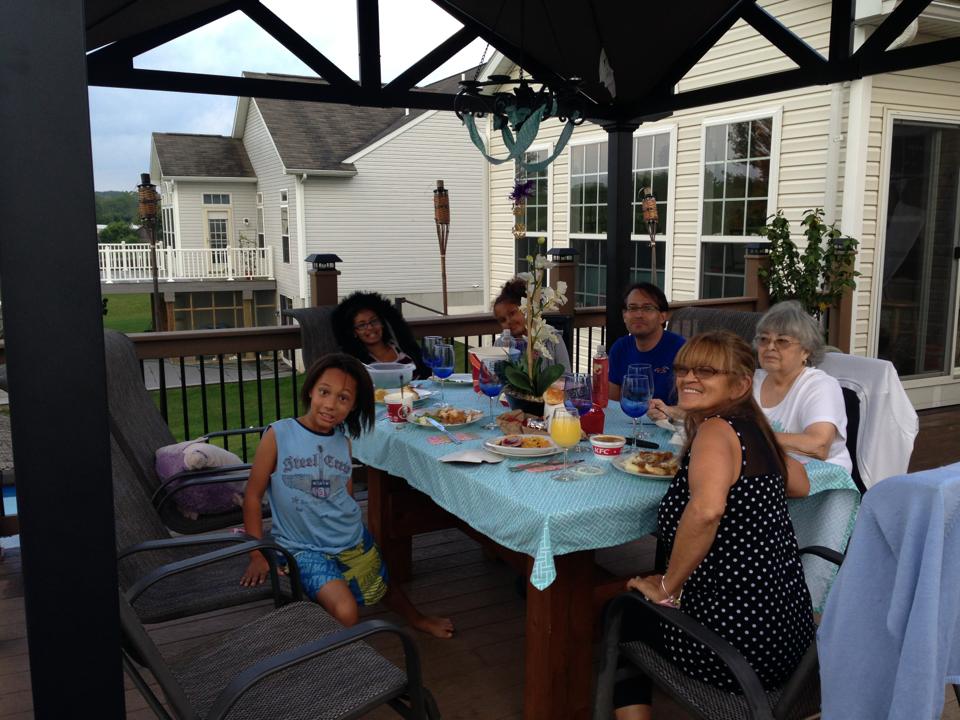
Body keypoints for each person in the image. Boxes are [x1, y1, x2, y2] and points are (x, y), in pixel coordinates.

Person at [615, 332, 814, 719]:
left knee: (628, 613)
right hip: (791, 639)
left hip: (737, 650)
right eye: (683, 368)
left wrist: (666, 587)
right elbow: (801, 485)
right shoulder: (755, 431)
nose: (688, 377)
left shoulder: (716, 430)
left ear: (740, 384)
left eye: (706, 370)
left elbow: (706, 512)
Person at [240, 352, 454, 638]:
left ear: (353, 406)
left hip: (349, 537)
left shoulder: (343, 441)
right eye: (324, 392)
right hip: (302, 548)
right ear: (310, 390)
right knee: (346, 610)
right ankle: (332, 666)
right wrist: (256, 554)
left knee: (382, 585)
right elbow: (252, 496)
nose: (330, 404)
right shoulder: (279, 434)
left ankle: (416, 618)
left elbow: (345, 492)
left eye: (343, 398)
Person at [751, 300, 852, 472]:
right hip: (767, 471)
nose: (770, 347)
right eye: (764, 339)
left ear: (806, 351)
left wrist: (752, 438)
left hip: (820, 480)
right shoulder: (751, 381)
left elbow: (817, 446)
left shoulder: (820, 386)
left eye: (782, 341)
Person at [608, 283, 685, 402]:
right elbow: (613, 403)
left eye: (647, 308)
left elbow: (693, 407)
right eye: (632, 308)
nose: (639, 315)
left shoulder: (682, 350)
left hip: (670, 419)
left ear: (662, 316)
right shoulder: (620, 348)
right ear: (624, 316)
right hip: (630, 418)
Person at [332, 291, 431, 379]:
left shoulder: (403, 347)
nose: (370, 328)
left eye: (374, 321)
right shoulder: (357, 363)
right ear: (354, 332)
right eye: (362, 325)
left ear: (382, 323)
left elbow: (427, 374)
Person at [493, 277, 572, 372]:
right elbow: (495, 377)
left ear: (527, 308)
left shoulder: (552, 340)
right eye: (502, 320)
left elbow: (566, 376)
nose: (508, 321)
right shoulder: (500, 344)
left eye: (512, 313)